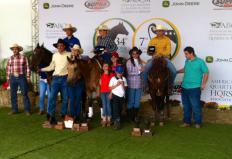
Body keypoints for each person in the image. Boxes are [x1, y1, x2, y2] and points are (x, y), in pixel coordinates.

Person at [177, 46, 209, 128]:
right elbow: (185, 69)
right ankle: (187, 122)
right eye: (185, 54)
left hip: (194, 88)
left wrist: (203, 83)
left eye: (186, 54)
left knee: (195, 106)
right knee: (186, 106)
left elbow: (206, 72)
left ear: (192, 53)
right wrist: (176, 72)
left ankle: (198, 123)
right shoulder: (187, 61)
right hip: (184, 87)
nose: (185, 55)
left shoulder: (200, 62)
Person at [41, 39, 69, 124]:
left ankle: (63, 114)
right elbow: (51, 67)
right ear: (57, 47)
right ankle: (50, 115)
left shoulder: (69, 54)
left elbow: (74, 62)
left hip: (65, 79)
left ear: (64, 46)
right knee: (52, 97)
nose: (60, 47)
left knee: (65, 99)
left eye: (61, 45)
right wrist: (41, 69)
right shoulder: (55, 55)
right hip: (56, 79)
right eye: (58, 46)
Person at [143, 24, 177, 93]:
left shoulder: (167, 40)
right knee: (145, 70)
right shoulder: (152, 40)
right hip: (154, 59)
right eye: (157, 31)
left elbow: (168, 51)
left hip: (164, 58)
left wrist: (160, 54)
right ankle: (146, 86)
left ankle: (170, 86)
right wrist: (150, 53)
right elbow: (149, 51)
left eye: (160, 31)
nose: (158, 32)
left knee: (174, 71)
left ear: (163, 31)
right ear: (156, 32)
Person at [6, 44, 31, 115]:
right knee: (13, 94)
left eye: (16, 49)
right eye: (13, 49)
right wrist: (8, 78)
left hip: (21, 77)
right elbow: (8, 68)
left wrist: (28, 77)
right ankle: (14, 109)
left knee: (25, 94)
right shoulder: (10, 58)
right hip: (12, 77)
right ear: (12, 50)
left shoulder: (24, 57)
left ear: (19, 50)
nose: (15, 50)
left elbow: (28, 68)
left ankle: (27, 110)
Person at [126, 47, 144, 123]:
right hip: (131, 84)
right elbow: (129, 73)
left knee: (137, 102)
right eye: (133, 53)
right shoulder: (129, 62)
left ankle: (135, 117)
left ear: (138, 54)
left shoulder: (140, 61)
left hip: (139, 84)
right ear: (131, 54)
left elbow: (142, 70)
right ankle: (131, 117)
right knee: (131, 101)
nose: (135, 55)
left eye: (136, 53)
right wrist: (139, 72)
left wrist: (142, 71)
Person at [68, 44, 85, 123]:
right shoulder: (68, 59)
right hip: (70, 82)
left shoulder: (81, 60)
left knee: (78, 99)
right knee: (72, 99)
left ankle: (77, 116)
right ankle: (72, 115)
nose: (74, 51)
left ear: (78, 52)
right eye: (73, 50)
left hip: (79, 82)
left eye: (76, 50)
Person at [109, 65, 127, 129]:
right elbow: (110, 88)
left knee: (120, 109)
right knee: (115, 108)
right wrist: (117, 85)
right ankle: (117, 123)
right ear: (116, 72)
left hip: (122, 97)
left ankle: (116, 120)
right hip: (115, 96)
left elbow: (125, 89)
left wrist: (122, 85)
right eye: (118, 72)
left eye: (121, 72)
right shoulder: (113, 79)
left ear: (122, 72)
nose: (119, 74)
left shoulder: (124, 79)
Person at [100, 63, 114, 127]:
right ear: (102, 67)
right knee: (104, 105)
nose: (105, 67)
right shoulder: (101, 75)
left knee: (108, 105)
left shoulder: (111, 75)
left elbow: (113, 85)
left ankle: (109, 119)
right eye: (104, 66)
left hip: (108, 92)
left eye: (107, 65)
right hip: (103, 92)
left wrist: (111, 93)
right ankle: (104, 119)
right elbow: (100, 84)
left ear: (108, 67)